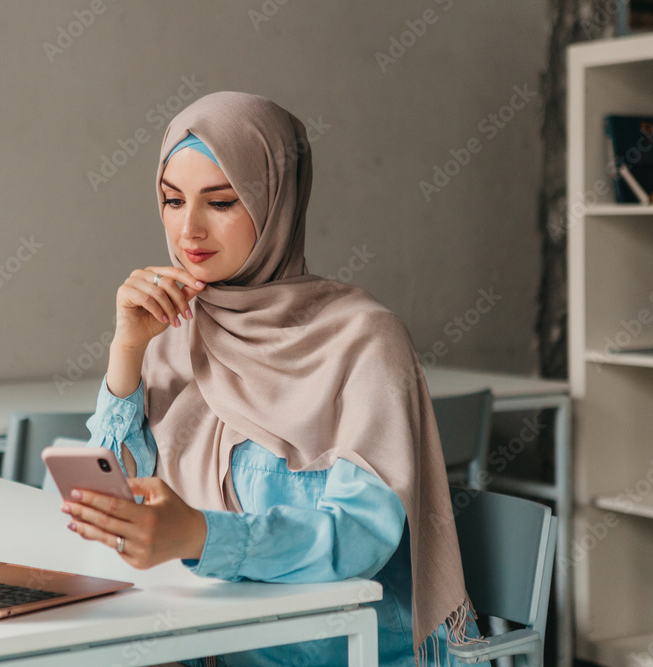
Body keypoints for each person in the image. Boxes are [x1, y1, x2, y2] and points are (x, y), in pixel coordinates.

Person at [58, 91, 486, 666]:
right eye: (172, 199)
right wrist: (127, 350)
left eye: (222, 202)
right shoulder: (174, 328)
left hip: (333, 653)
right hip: (196, 643)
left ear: (277, 203)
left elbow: (359, 536)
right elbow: (109, 505)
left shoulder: (364, 338)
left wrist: (200, 536)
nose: (190, 230)